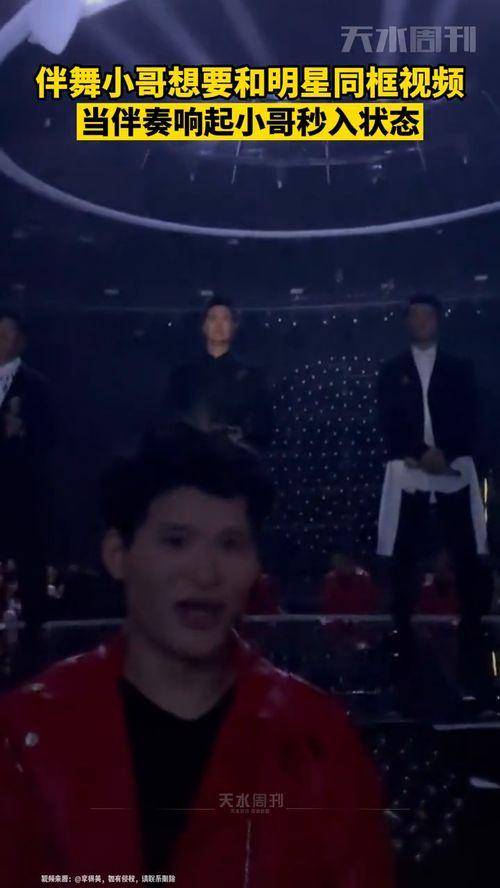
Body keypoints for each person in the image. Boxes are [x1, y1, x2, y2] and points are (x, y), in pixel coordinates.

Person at [0, 425, 393, 887]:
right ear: (117, 554)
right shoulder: (25, 735)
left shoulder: (317, 740)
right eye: (176, 541)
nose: (206, 574)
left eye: (230, 544)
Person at [377, 294, 491, 682]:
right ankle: (403, 638)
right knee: (404, 556)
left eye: (428, 315)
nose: (422, 321)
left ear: (438, 321)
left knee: (467, 555)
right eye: (415, 316)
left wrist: (446, 453)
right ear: (407, 322)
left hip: (453, 465)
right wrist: (420, 453)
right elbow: (389, 421)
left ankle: (474, 640)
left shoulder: (460, 368)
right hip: (409, 468)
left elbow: (472, 417)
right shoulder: (391, 371)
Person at [0, 310, 55, 643]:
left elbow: (50, 440)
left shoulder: (37, 387)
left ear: (21, 341)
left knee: (29, 561)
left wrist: (21, 431)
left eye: (6, 335)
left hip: (24, 492)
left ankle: (35, 636)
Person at [164, 296, 274, 449]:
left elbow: (264, 428)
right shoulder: (183, 375)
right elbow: (169, 420)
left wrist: (242, 436)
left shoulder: (252, 378)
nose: (219, 325)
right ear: (203, 326)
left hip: (235, 457)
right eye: (213, 318)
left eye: (225, 319)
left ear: (234, 326)